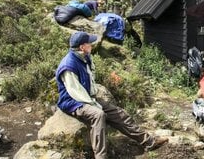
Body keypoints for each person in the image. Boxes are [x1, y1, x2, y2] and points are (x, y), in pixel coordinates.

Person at [55, 31, 168, 159]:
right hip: (73, 101)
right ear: (82, 47)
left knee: (119, 113)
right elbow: (75, 91)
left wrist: (94, 98)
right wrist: (94, 104)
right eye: (89, 43)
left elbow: (90, 79)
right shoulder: (68, 65)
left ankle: (149, 142)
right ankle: (101, 157)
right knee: (98, 115)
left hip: (88, 98)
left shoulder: (84, 57)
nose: (92, 44)